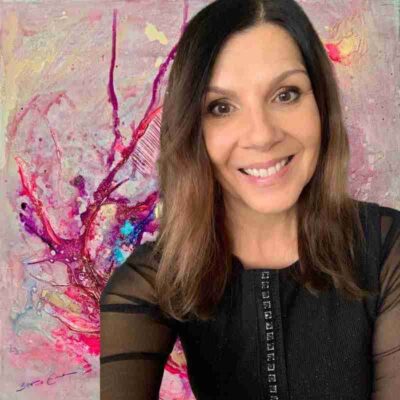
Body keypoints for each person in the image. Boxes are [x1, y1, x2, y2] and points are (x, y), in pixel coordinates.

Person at [100, 0, 400, 399]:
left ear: (321, 104)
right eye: (221, 107)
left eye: (286, 94)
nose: (261, 135)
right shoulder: (145, 284)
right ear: (193, 130)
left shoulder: (387, 250)